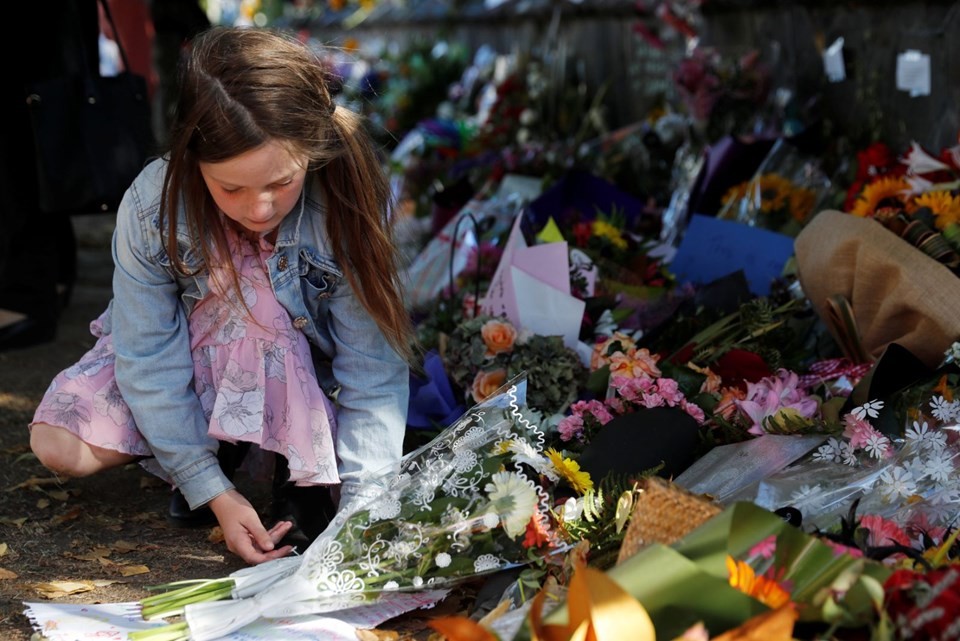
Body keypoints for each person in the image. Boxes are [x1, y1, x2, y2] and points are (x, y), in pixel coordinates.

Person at [28, 25, 414, 565]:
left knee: (264, 309)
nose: (259, 209)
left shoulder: (342, 199)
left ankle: (301, 476)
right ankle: (223, 447)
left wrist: (365, 509)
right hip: (199, 360)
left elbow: (371, 367)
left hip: (308, 376)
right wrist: (209, 489)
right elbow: (147, 357)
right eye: (231, 188)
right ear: (189, 158)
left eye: (281, 182)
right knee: (57, 443)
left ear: (312, 151)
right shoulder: (151, 205)